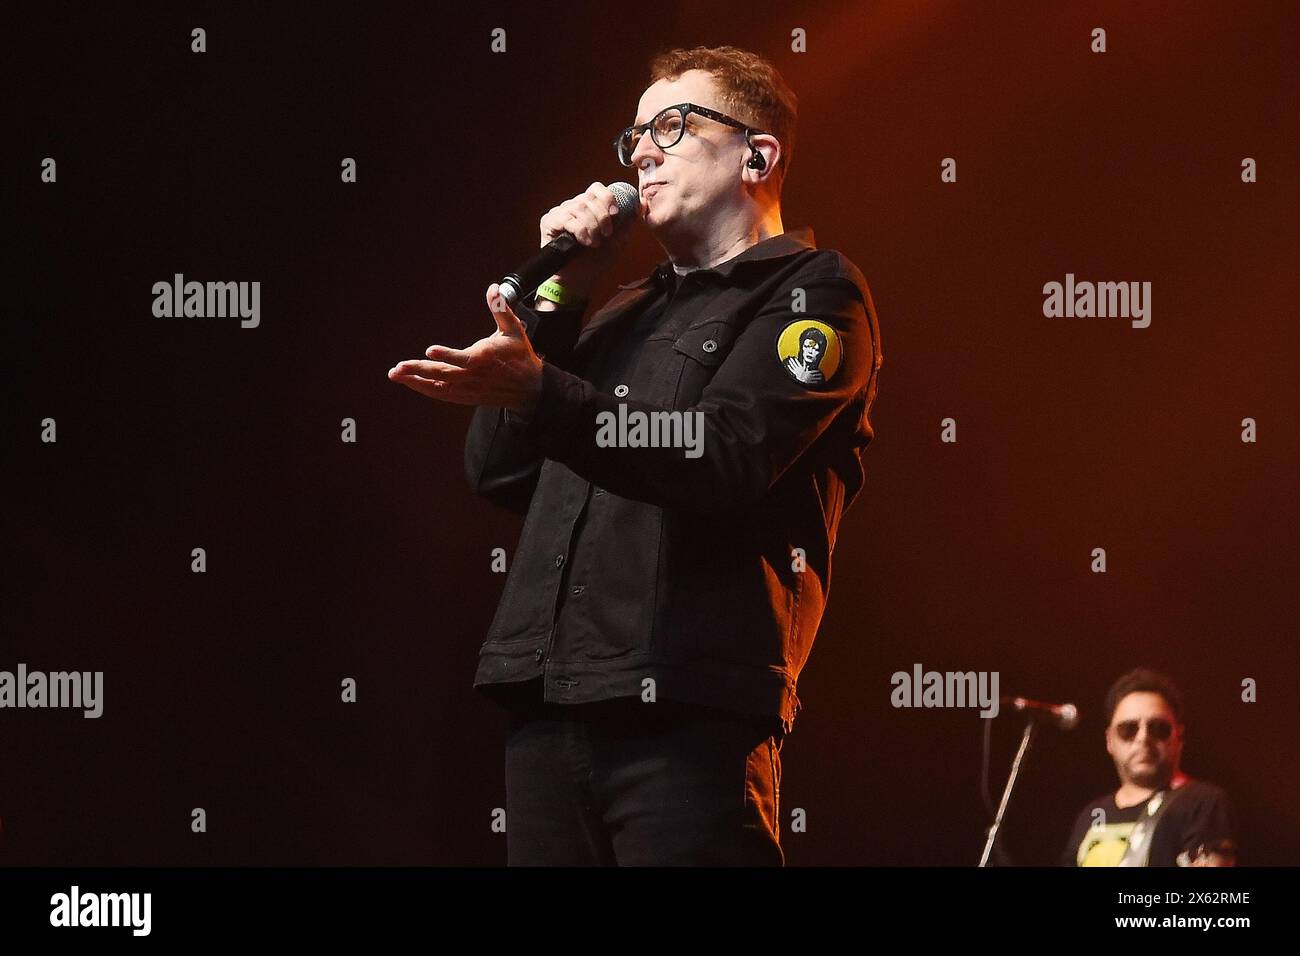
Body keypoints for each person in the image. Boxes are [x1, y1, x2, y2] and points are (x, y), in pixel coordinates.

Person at [390, 45, 883, 865]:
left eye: (673, 125)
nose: (642, 151)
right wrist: (564, 292)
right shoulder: (622, 310)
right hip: (550, 705)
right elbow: (501, 470)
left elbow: (721, 453)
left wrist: (548, 393)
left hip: (686, 715)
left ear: (758, 154)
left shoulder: (814, 293)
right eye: (636, 135)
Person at [1061, 668, 1237, 867]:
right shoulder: (1090, 816)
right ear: (1110, 740)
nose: (1143, 738)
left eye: (1159, 728)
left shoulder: (1203, 804)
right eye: (1128, 729)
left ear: (1178, 737)